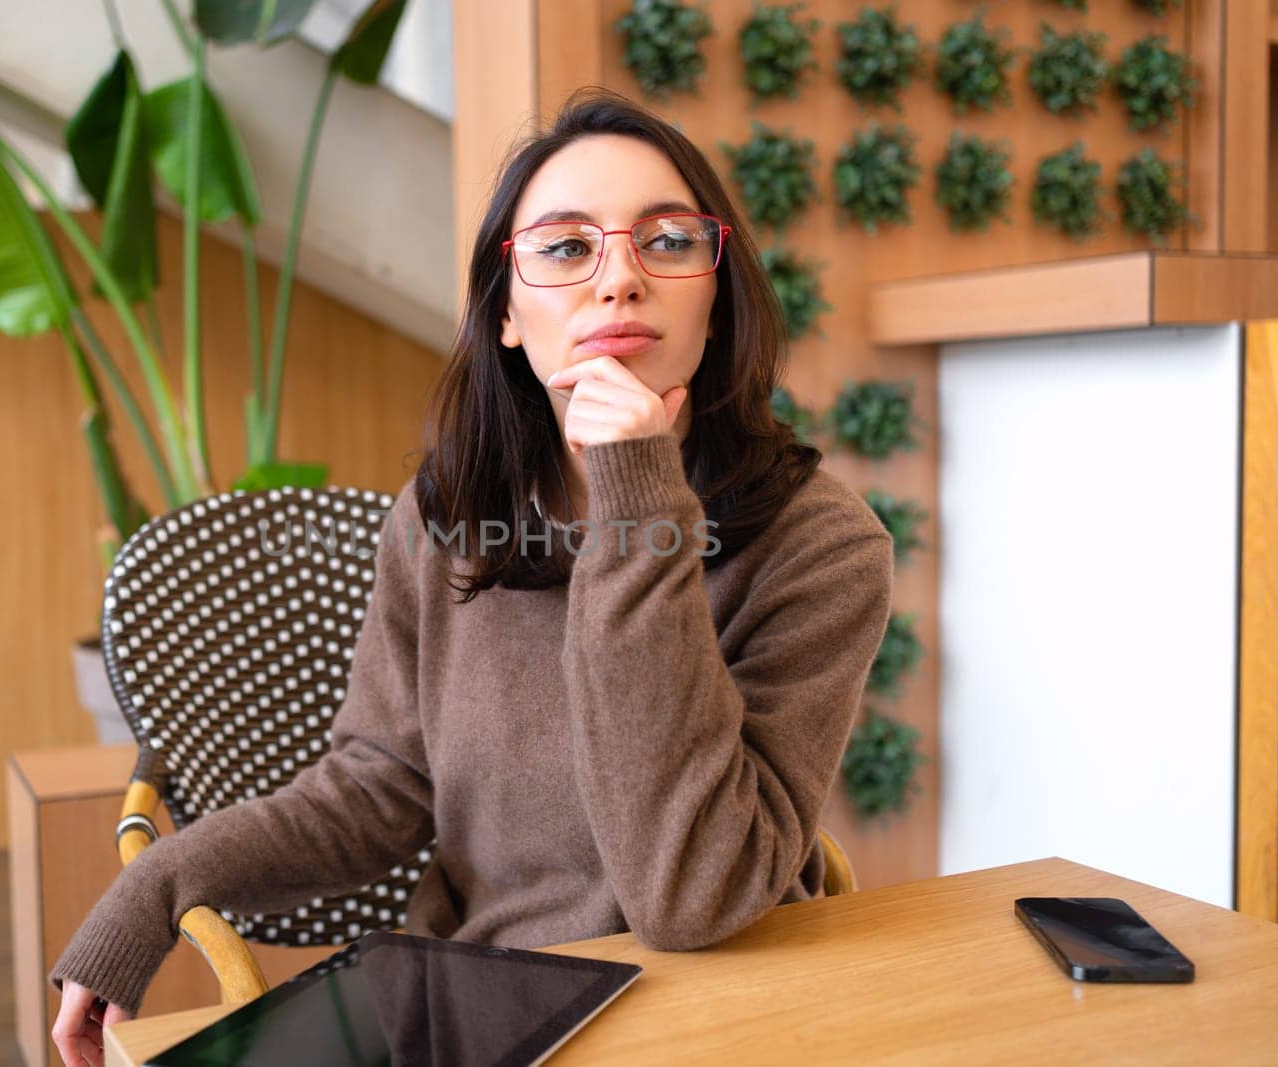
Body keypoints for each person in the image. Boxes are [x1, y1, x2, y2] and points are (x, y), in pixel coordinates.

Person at [49, 85, 894, 1066]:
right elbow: (377, 786)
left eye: (666, 241)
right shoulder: (448, 515)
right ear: (505, 317)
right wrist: (154, 885)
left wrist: (635, 495)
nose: (618, 280)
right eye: (567, 247)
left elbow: (689, 894)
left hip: (733, 1014)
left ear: (718, 296)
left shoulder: (818, 546)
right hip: (487, 1010)